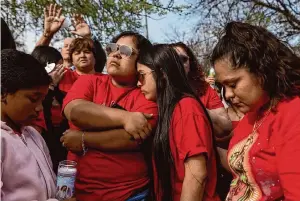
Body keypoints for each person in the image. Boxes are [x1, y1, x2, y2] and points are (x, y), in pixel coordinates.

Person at [211, 21, 300, 200]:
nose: (227, 95)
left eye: (233, 84)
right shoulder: (256, 111)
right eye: (222, 86)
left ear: (262, 69)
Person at [60, 31, 158, 201]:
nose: (116, 54)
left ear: (140, 61)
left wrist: (83, 139)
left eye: (126, 51)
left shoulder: (146, 94)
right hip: (78, 193)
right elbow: (76, 112)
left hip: (130, 194)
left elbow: (132, 137)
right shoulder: (89, 81)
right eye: (113, 48)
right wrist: (126, 118)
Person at [137, 44, 219, 201]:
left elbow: (196, 175)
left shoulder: (186, 108)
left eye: (142, 76)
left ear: (162, 73)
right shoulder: (172, 109)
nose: (139, 83)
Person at [1, 49, 57, 201]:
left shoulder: (34, 136)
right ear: (3, 93)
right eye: (33, 99)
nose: (39, 108)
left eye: (42, 100)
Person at [170, 42, 231, 137]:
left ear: (190, 63)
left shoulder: (204, 88)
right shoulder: (156, 91)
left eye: (183, 59)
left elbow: (225, 126)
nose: (178, 64)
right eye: (172, 60)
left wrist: (195, 106)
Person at [36, 4, 106, 73]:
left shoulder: (85, 71)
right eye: (66, 46)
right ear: (61, 51)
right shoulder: (52, 70)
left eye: (73, 47)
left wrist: (87, 37)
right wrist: (48, 34)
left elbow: (99, 60)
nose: (68, 48)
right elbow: (36, 57)